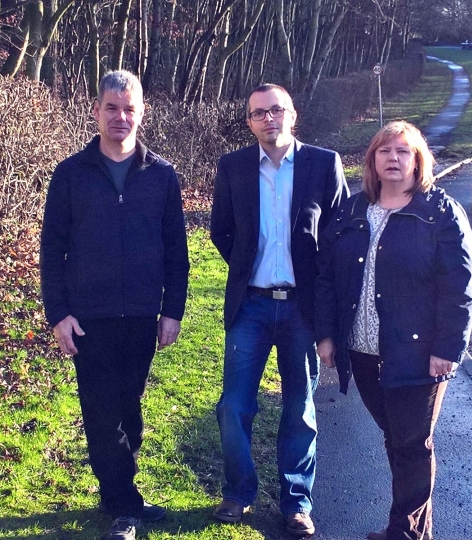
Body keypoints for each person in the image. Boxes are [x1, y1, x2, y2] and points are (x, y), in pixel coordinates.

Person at [39, 70, 189, 540]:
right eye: (112, 108)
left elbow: (176, 250)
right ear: (96, 110)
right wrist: (58, 313)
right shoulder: (70, 174)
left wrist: (173, 310)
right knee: (102, 412)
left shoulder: (163, 175)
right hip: (89, 318)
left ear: (142, 112)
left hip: (143, 314)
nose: (121, 117)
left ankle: (115, 492)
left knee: (130, 410)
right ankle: (126, 507)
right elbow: (52, 249)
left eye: (129, 109)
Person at [315, 121, 472, 540]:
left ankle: (403, 533)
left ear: (417, 160)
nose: (393, 158)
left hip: (419, 355)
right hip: (365, 353)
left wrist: (448, 348)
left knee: (411, 444)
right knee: (397, 439)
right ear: (372, 160)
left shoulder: (439, 213)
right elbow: (328, 278)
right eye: (384, 151)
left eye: (403, 151)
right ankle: (413, 530)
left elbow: (459, 287)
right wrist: (327, 335)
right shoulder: (352, 211)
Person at [209, 84, 349, 536]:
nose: (268, 119)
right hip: (250, 304)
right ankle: (239, 492)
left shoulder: (323, 164)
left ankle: (296, 503)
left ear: (293, 114)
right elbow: (221, 231)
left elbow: (338, 236)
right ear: (249, 121)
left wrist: (327, 310)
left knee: (299, 408)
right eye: (258, 113)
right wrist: (249, 266)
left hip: (301, 309)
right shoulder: (232, 167)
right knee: (233, 406)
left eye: (276, 110)